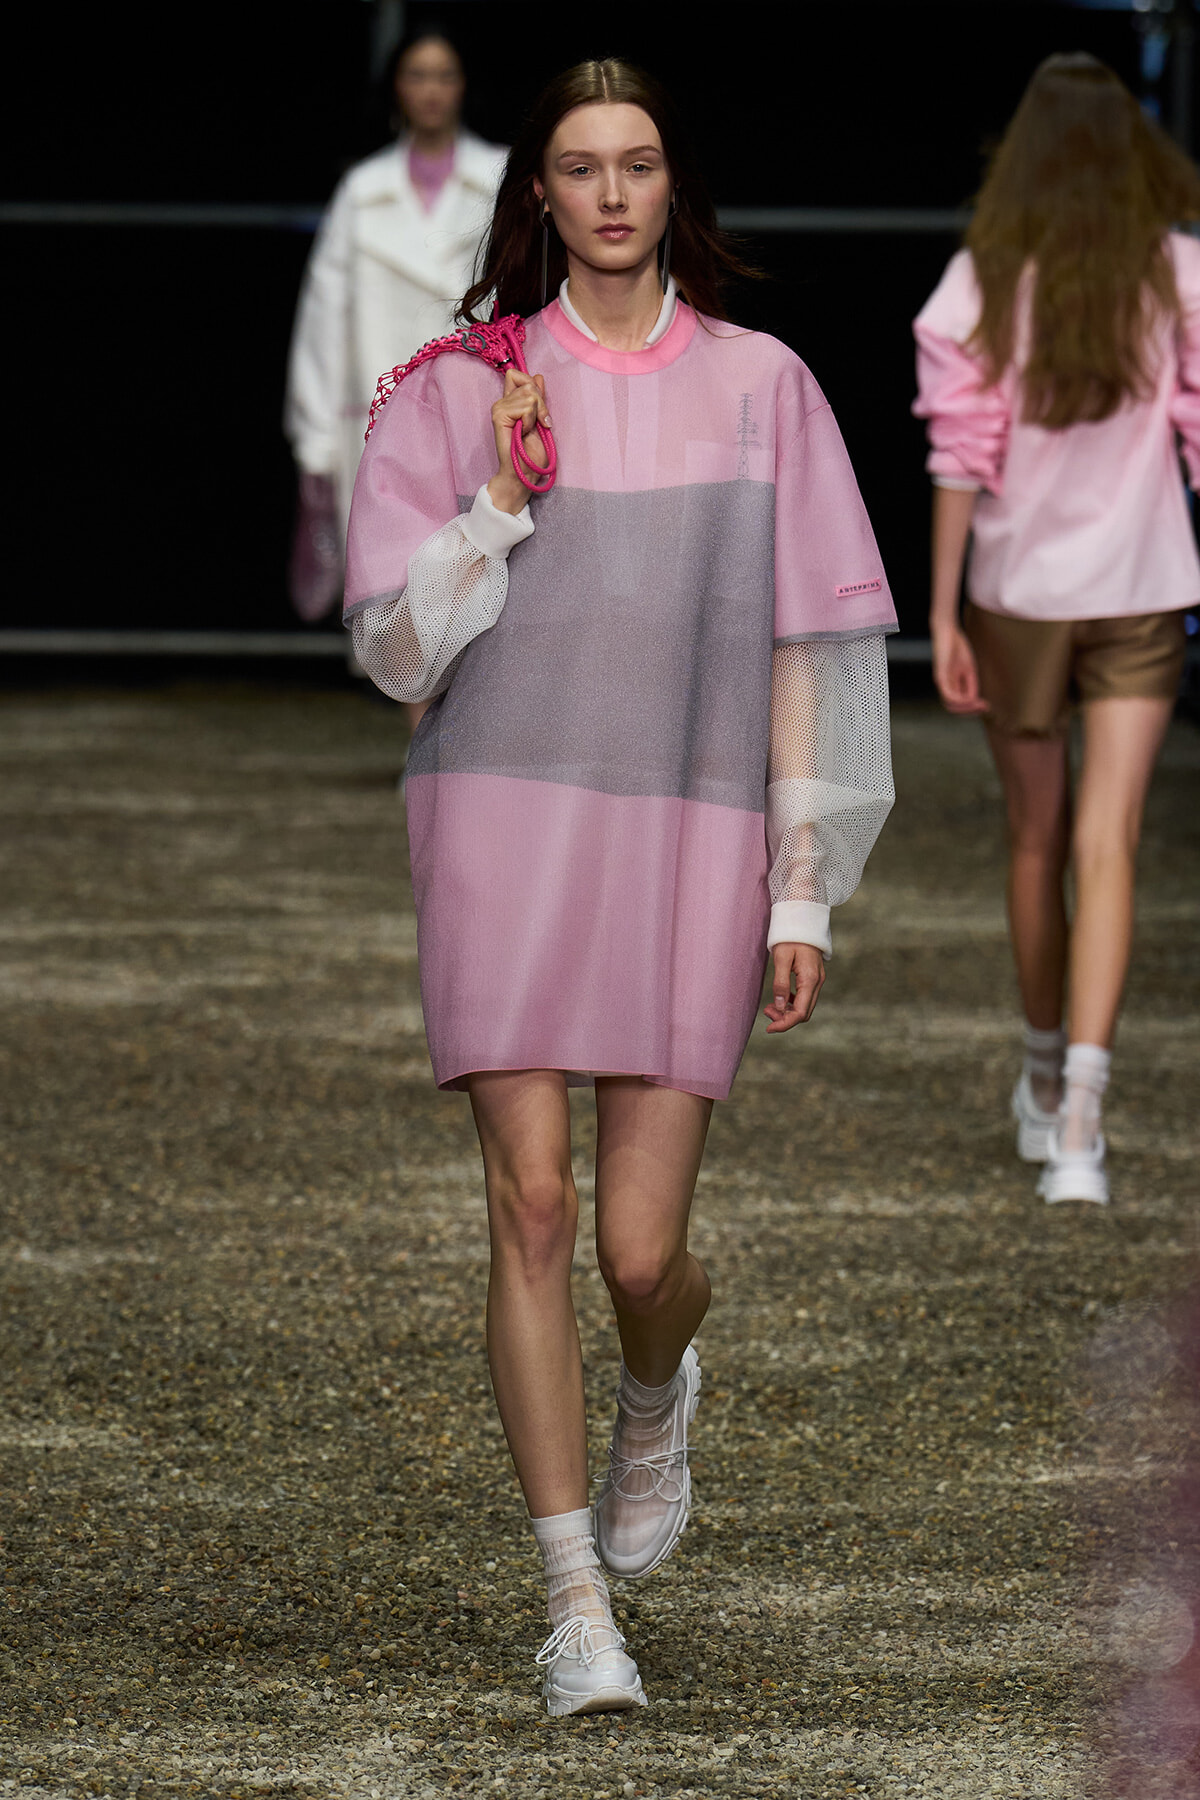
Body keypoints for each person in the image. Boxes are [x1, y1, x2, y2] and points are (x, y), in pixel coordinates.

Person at [344, 58, 896, 1716]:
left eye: (636, 163)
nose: (607, 193)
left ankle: (659, 1386)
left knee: (641, 1254)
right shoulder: (454, 389)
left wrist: (801, 888)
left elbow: (811, 635)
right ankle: (576, 1602)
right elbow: (392, 654)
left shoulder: (765, 384)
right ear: (541, 195)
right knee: (528, 1206)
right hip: (502, 820)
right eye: (578, 166)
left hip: (687, 831)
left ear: (672, 187)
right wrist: (504, 501)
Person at [913, 53, 1200, 1207]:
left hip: (1019, 593)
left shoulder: (983, 279)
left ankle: (1043, 1080)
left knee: (1037, 844)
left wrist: (939, 612)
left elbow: (955, 459)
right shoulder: (1179, 274)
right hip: (1138, 586)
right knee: (1109, 843)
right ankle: (1080, 1124)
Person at [284, 26, 506, 696]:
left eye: (445, 74)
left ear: (463, 85)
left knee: (474, 570)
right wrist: (314, 439)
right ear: (396, 88)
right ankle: (423, 747)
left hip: (478, 411)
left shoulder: (499, 175)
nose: (432, 90)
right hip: (379, 417)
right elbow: (324, 315)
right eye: (417, 74)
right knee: (399, 588)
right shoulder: (363, 190)